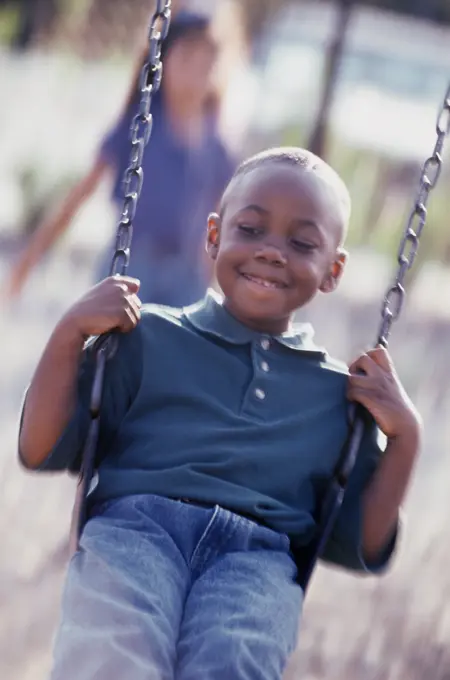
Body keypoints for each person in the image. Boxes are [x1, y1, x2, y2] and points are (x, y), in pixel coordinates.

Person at [19, 147, 421, 680]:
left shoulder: (339, 396)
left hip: (256, 562)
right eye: (250, 230)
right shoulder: (147, 337)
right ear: (214, 236)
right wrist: (70, 332)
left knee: (234, 659)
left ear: (333, 270)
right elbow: (40, 447)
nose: (273, 252)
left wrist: (408, 437)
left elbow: (362, 542)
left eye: (301, 243)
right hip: (136, 530)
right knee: (114, 651)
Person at [5, 10, 234, 306]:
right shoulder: (139, 127)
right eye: (187, 60)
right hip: (132, 265)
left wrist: (216, 290)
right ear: (162, 65)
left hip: (185, 277)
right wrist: (28, 261)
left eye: (207, 64)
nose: (196, 75)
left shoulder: (216, 145)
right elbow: (79, 195)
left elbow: (218, 226)